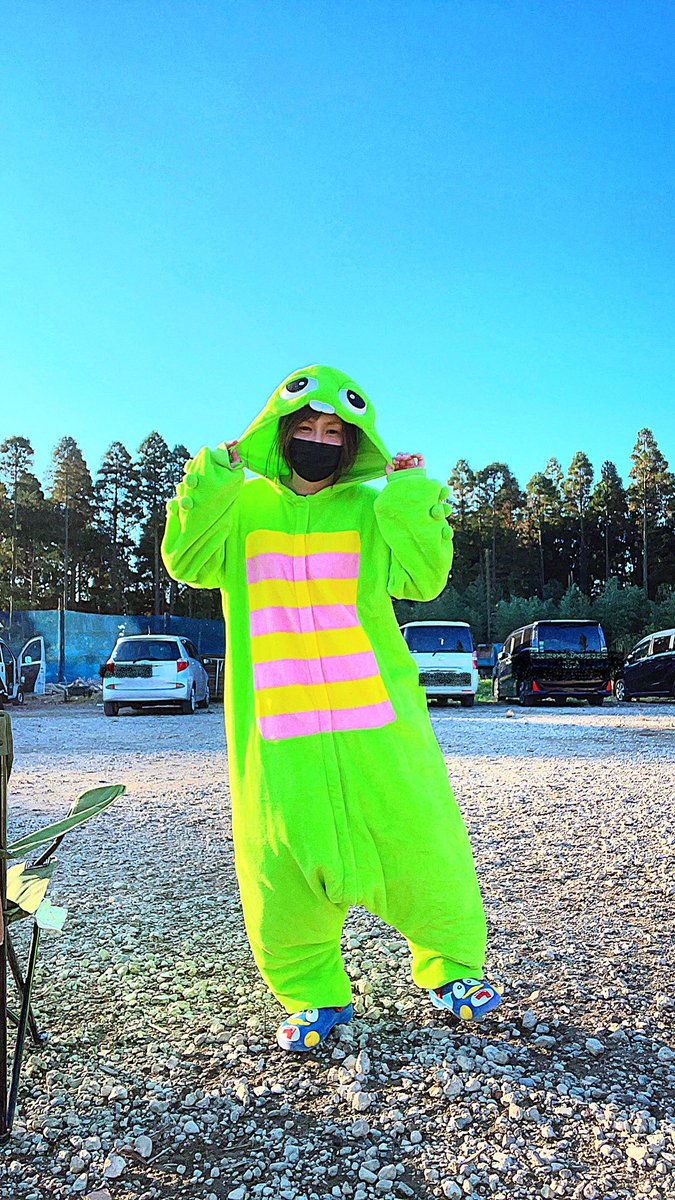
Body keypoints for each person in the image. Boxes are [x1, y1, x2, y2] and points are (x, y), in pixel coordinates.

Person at [161, 365, 501, 1052]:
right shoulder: (241, 508)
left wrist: (409, 495)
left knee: (421, 838)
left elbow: (424, 578)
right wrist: (213, 477)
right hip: (278, 726)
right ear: (280, 431)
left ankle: (453, 969)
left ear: (351, 443)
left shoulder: (369, 509)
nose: (318, 441)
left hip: (377, 719)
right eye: (307, 427)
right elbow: (185, 561)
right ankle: (312, 994)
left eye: (333, 432)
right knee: (279, 861)